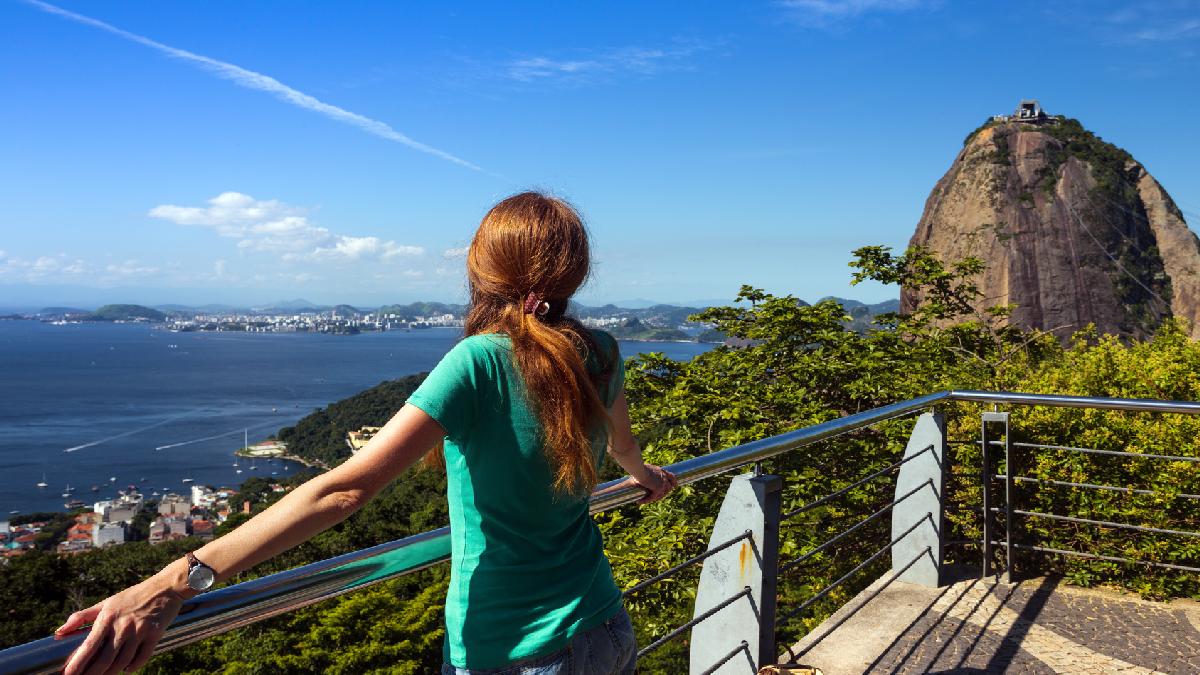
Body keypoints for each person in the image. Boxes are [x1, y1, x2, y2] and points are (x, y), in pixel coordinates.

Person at [55, 191, 678, 675]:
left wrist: (173, 582)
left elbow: (343, 492)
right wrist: (645, 478)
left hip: (513, 646)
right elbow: (621, 444)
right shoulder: (601, 349)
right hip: (604, 623)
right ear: (577, 270)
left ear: (482, 271)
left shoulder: (481, 360)